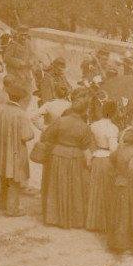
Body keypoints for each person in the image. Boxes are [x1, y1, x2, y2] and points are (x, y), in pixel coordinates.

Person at [41, 90, 93, 229]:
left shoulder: (61, 121)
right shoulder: (85, 127)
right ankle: (74, 219)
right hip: (75, 158)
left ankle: (54, 217)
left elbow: (47, 136)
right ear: (84, 111)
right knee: (73, 187)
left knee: (57, 185)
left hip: (57, 155)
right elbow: (86, 146)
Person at [0, 80, 36, 217]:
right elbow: (27, 135)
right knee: (14, 179)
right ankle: (12, 209)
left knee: (2, 176)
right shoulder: (21, 114)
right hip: (14, 151)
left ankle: (1, 204)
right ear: (20, 99)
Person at [86, 100, 120, 232]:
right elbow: (113, 149)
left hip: (96, 156)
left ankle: (93, 221)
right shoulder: (113, 128)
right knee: (107, 190)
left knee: (95, 189)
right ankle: (104, 222)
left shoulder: (94, 125)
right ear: (114, 113)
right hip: (107, 159)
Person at [2, 28, 38, 110]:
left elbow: (33, 54)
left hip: (26, 75)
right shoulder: (13, 44)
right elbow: (6, 57)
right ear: (17, 34)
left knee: (27, 95)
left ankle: (21, 112)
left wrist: (32, 60)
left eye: (25, 35)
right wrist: (18, 62)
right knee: (12, 94)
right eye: (22, 35)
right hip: (15, 75)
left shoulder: (28, 44)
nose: (23, 37)